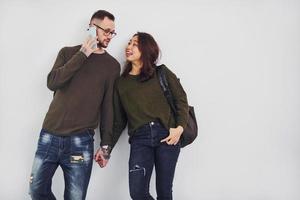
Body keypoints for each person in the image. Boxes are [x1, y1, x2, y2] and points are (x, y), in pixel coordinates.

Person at [29, 10, 120, 200]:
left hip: (80, 142)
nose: (110, 36)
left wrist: (106, 145)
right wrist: (83, 54)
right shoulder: (67, 53)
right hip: (49, 136)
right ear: (91, 27)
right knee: (36, 191)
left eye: (113, 32)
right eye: (106, 31)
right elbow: (52, 82)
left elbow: (108, 107)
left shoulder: (111, 66)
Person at [97, 32, 189, 200]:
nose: (128, 47)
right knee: (137, 193)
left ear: (146, 49)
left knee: (164, 192)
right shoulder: (121, 83)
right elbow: (118, 121)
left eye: (135, 44)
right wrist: (106, 148)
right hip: (140, 139)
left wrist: (180, 128)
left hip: (167, 136)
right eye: (129, 43)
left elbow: (181, 101)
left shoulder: (162, 73)